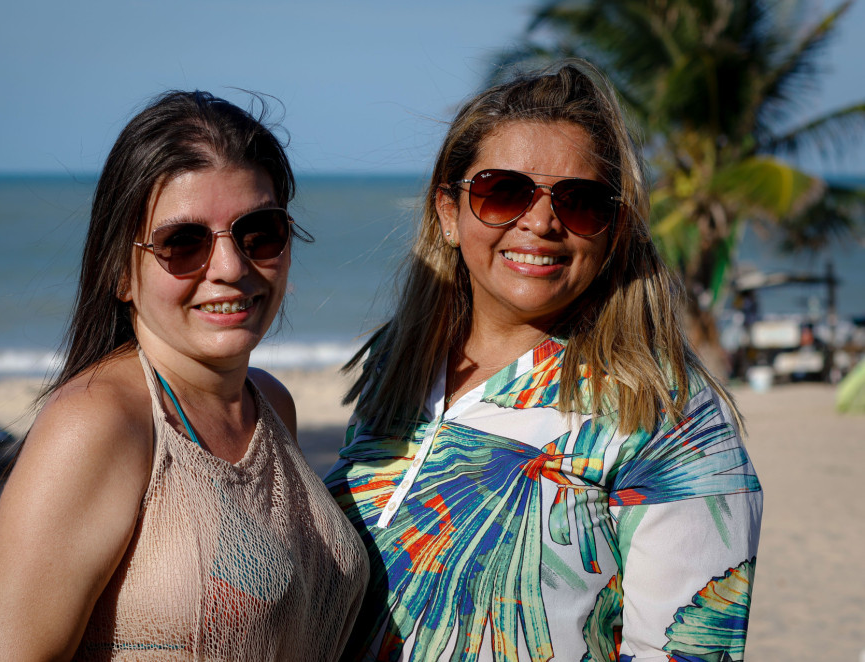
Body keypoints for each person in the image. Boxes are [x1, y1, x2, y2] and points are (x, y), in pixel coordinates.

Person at [326, 61, 762, 661]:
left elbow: (685, 650)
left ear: (614, 230)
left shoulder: (666, 416)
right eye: (502, 191)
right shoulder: (397, 368)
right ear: (449, 213)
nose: (541, 222)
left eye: (580, 202)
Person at [0, 91, 368, 661]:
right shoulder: (100, 423)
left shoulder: (271, 403)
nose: (230, 268)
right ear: (119, 272)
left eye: (259, 233)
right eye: (183, 243)